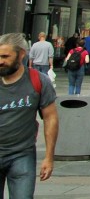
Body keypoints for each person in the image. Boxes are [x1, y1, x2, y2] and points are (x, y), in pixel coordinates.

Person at [0, 33, 59, 197]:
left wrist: (49, 157)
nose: (0, 61)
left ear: (21, 54)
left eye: (5, 56)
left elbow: (50, 118)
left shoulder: (38, 80)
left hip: (22, 154)